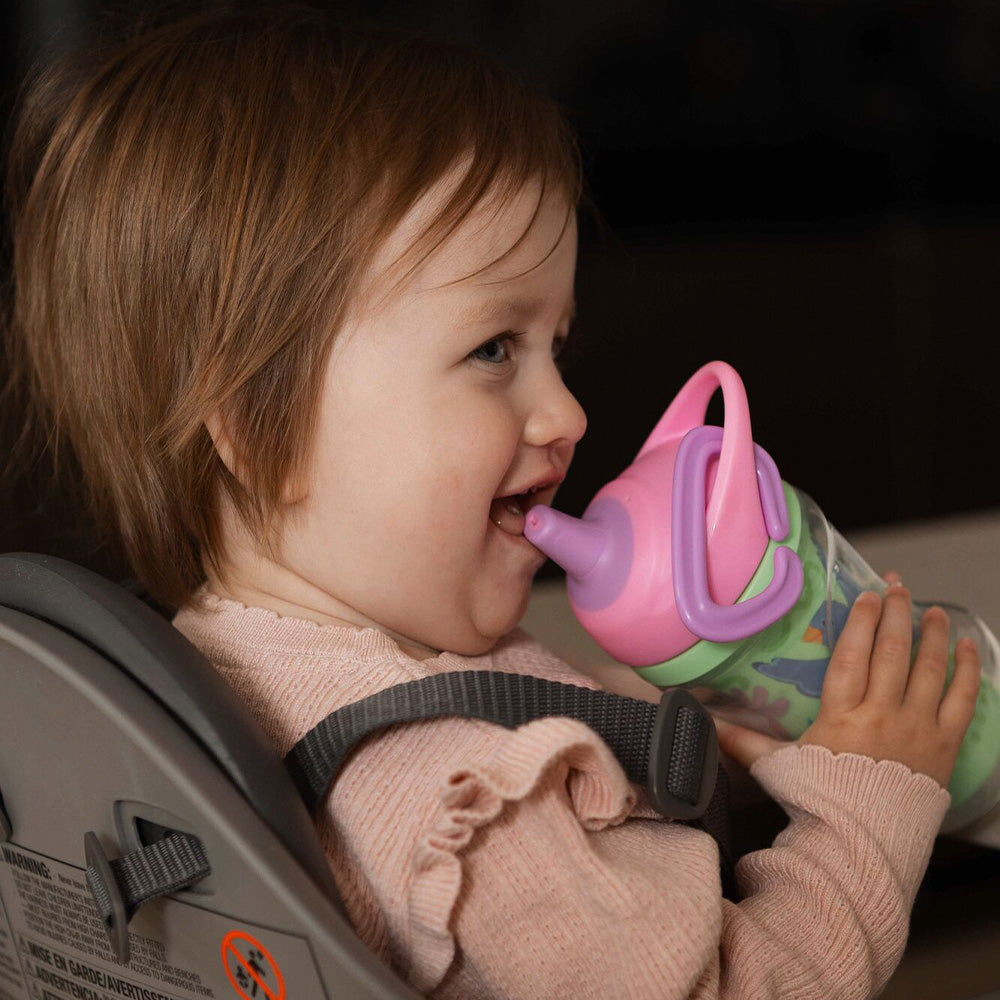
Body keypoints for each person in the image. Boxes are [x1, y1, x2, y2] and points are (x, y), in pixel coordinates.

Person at [1, 5, 981, 998]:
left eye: (558, 345)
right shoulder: (480, 806)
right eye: (493, 350)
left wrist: (684, 735)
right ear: (259, 431)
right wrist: (865, 803)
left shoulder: (227, 669)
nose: (566, 411)